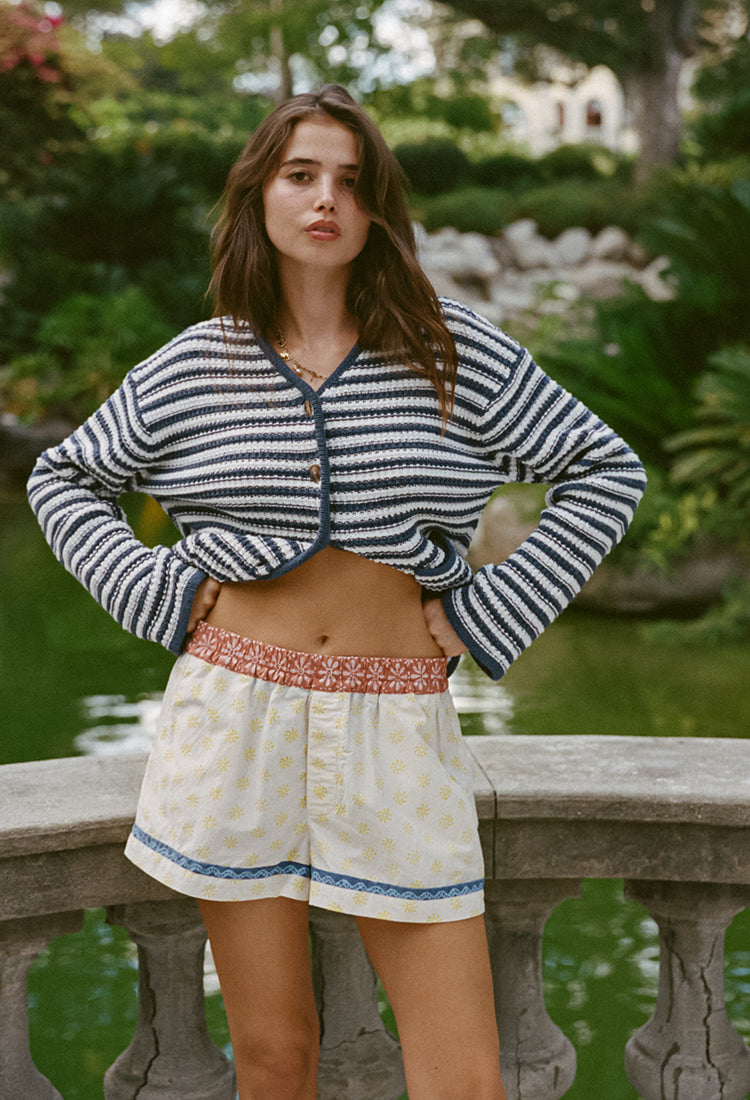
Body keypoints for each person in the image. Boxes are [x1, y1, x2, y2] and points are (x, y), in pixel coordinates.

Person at [28, 84, 645, 1100]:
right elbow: (64, 477)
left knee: (464, 1075)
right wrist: (156, 588)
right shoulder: (196, 365)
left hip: (395, 720)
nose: (326, 201)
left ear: (379, 209)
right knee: (276, 1057)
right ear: (260, 196)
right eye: (301, 175)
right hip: (231, 717)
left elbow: (604, 468)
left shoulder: (455, 352)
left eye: (352, 183)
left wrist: (485, 608)